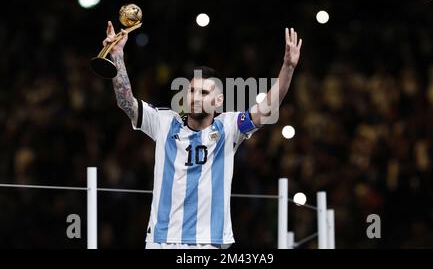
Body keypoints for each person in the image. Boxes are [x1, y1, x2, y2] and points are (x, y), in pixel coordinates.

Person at [103, 22, 302, 249]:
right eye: (192, 91)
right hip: (161, 240)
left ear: (219, 101)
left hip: (208, 242)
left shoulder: (229, 127)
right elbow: (126, 102)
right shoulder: (164, 121)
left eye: (204, 92)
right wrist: (117, 55)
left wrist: (288, 67)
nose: (196, 97)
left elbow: (267, 108)